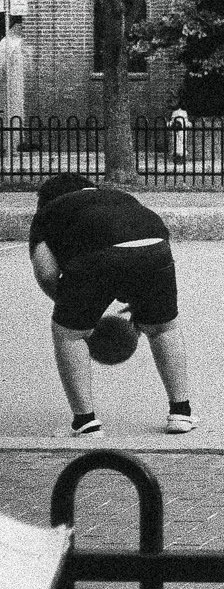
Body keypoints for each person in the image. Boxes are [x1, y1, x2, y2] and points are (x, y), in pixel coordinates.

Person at [27, 174, 195, 437]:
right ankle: (181, 412)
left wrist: (76, 312)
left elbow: (46, 273)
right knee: (163, 328)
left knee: (69, 335)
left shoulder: (48, 211)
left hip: (97, 255)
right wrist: (138, 297)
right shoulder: (119, 196)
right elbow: (133, 242)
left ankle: (85, 422)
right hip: (155, 246)